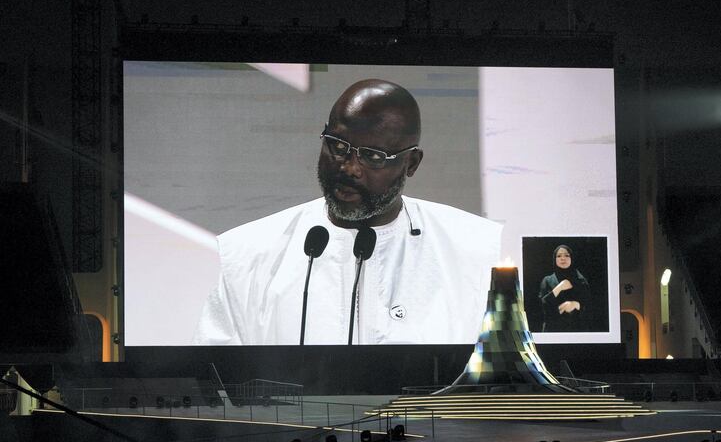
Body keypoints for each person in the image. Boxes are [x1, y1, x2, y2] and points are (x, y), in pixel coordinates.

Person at [195, 78, 502, 346]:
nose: (349, 168)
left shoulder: (475, 251)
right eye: (338, 146)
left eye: (373, 156)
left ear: (411, 164)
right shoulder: (249, 253)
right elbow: (214, 387)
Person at [538, 245, 591, 332]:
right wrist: (559, 288)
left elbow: (590, 307)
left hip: (577, 330)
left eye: (566, 255)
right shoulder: (548, 280)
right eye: (559, 256)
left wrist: (576, 305)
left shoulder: (581, 280)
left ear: (572, 258)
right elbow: (541, 307)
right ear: (554, 259)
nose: (563, 258)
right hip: (553, 330)